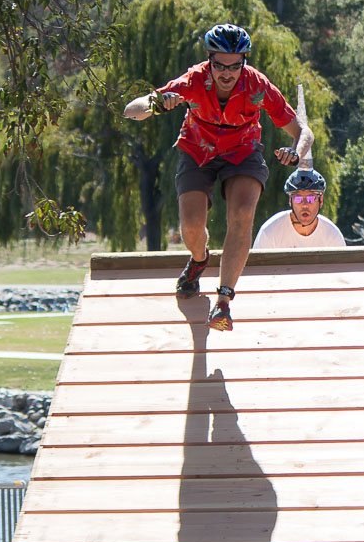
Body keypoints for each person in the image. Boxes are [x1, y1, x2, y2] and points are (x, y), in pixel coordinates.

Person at [123, 23, 314, 331]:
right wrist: (158, 103)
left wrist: (296, 151)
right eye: (220, 66)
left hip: (243, 151)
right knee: (192, 226)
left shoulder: (257, 85)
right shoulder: (193, 80)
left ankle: (223, 301)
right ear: (209, 60)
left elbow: (303, 131)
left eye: (235, 66)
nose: (227, 73)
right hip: (197, 151)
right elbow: (131, 110)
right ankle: (199, 259)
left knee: (242, 213)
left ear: (245, 62)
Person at [253, 169, 346, 249]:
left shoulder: (332, 235)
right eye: (298, 199)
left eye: (311, 199)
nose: (304, 205)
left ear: (321, 200)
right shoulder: (269, 231)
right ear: (290, 201)